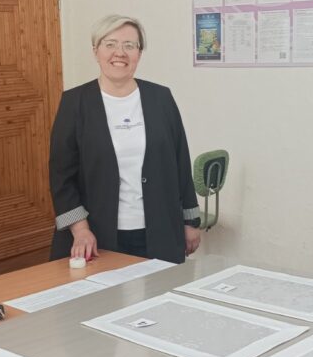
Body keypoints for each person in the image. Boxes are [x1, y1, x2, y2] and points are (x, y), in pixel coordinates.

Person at [49, 14, 200, 264]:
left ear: (139, 53)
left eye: (129, 45)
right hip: (97, 234)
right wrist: (80, 230)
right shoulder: (75, 102)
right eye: (110, 44)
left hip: (161, 228)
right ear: (95, 51)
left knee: (161, 288)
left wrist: (190, 221)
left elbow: (181, 162)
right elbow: (61, 176)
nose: (120, 53)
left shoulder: (161, 98)